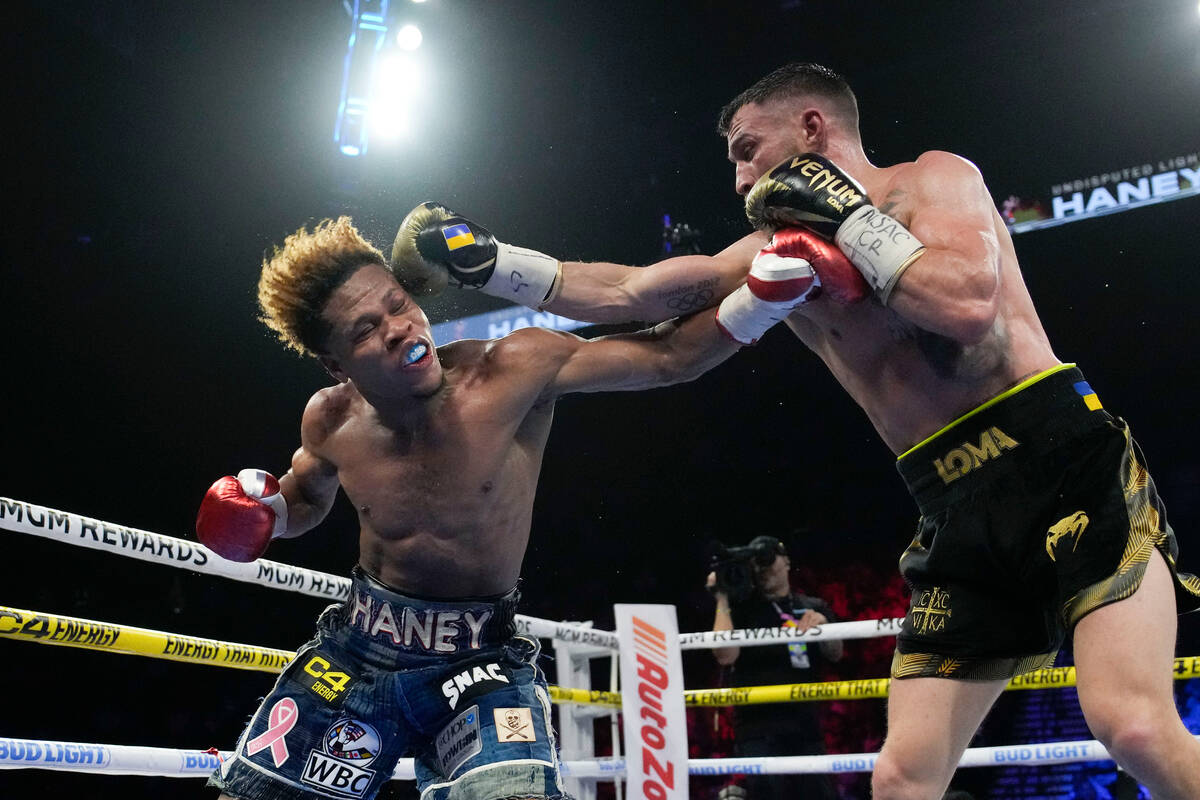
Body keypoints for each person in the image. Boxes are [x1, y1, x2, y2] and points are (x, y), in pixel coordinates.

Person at [392, 63, 1200, 799]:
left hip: (1061, 462)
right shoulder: (773, 251)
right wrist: (491, 262)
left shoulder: (934, 180)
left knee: (1131, 725)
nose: (742, 177)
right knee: (902, 778)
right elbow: (636, 292)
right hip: (956, 509)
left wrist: (849, 219)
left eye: (750, 150)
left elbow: (965, 304)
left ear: (812, 128)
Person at [195, 215, 792, 800]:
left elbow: (668, 358)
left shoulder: (512, 369)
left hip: (479, 663)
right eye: (365, 330)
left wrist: (760, 304)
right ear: (335, 365)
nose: (400, 329)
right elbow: (307, 500)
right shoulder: (330, 418)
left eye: (399, 304)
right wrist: (268, 508)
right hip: (356, 653)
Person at [707, 535, 842, 800]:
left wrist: (824, 625)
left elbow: (836, 653)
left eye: (769, 558)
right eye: (757, 562)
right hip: (758, 729)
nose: (764, 567)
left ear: (787, 562)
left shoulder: (812, 607)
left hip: (806, 726)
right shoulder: (742, 609)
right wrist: (722, 598)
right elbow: (725, 656)